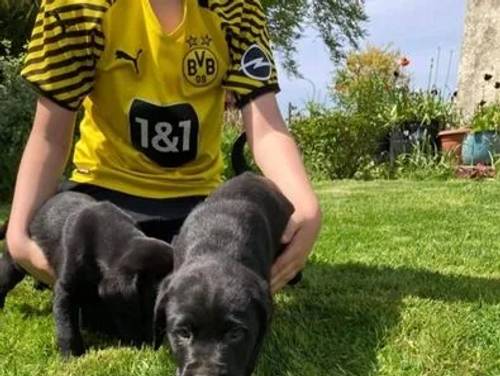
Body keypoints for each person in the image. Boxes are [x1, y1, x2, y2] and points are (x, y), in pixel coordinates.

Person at [6, 0, 321, 294]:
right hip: (103, 197)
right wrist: (19, 236)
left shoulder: (237, 8)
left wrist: (305, 206)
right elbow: (50, 136)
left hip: (198, 205)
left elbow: (266, 130)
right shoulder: (76, 6)